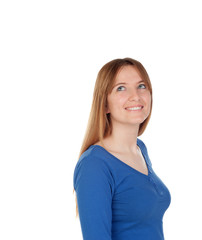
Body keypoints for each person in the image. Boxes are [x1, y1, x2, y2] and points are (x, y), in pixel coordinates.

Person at [73, 57, 171, 240]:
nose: (136, 96)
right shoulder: (94, 165)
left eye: (141, 86)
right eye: (121, 88)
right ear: (104, 104)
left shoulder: (140, 149)